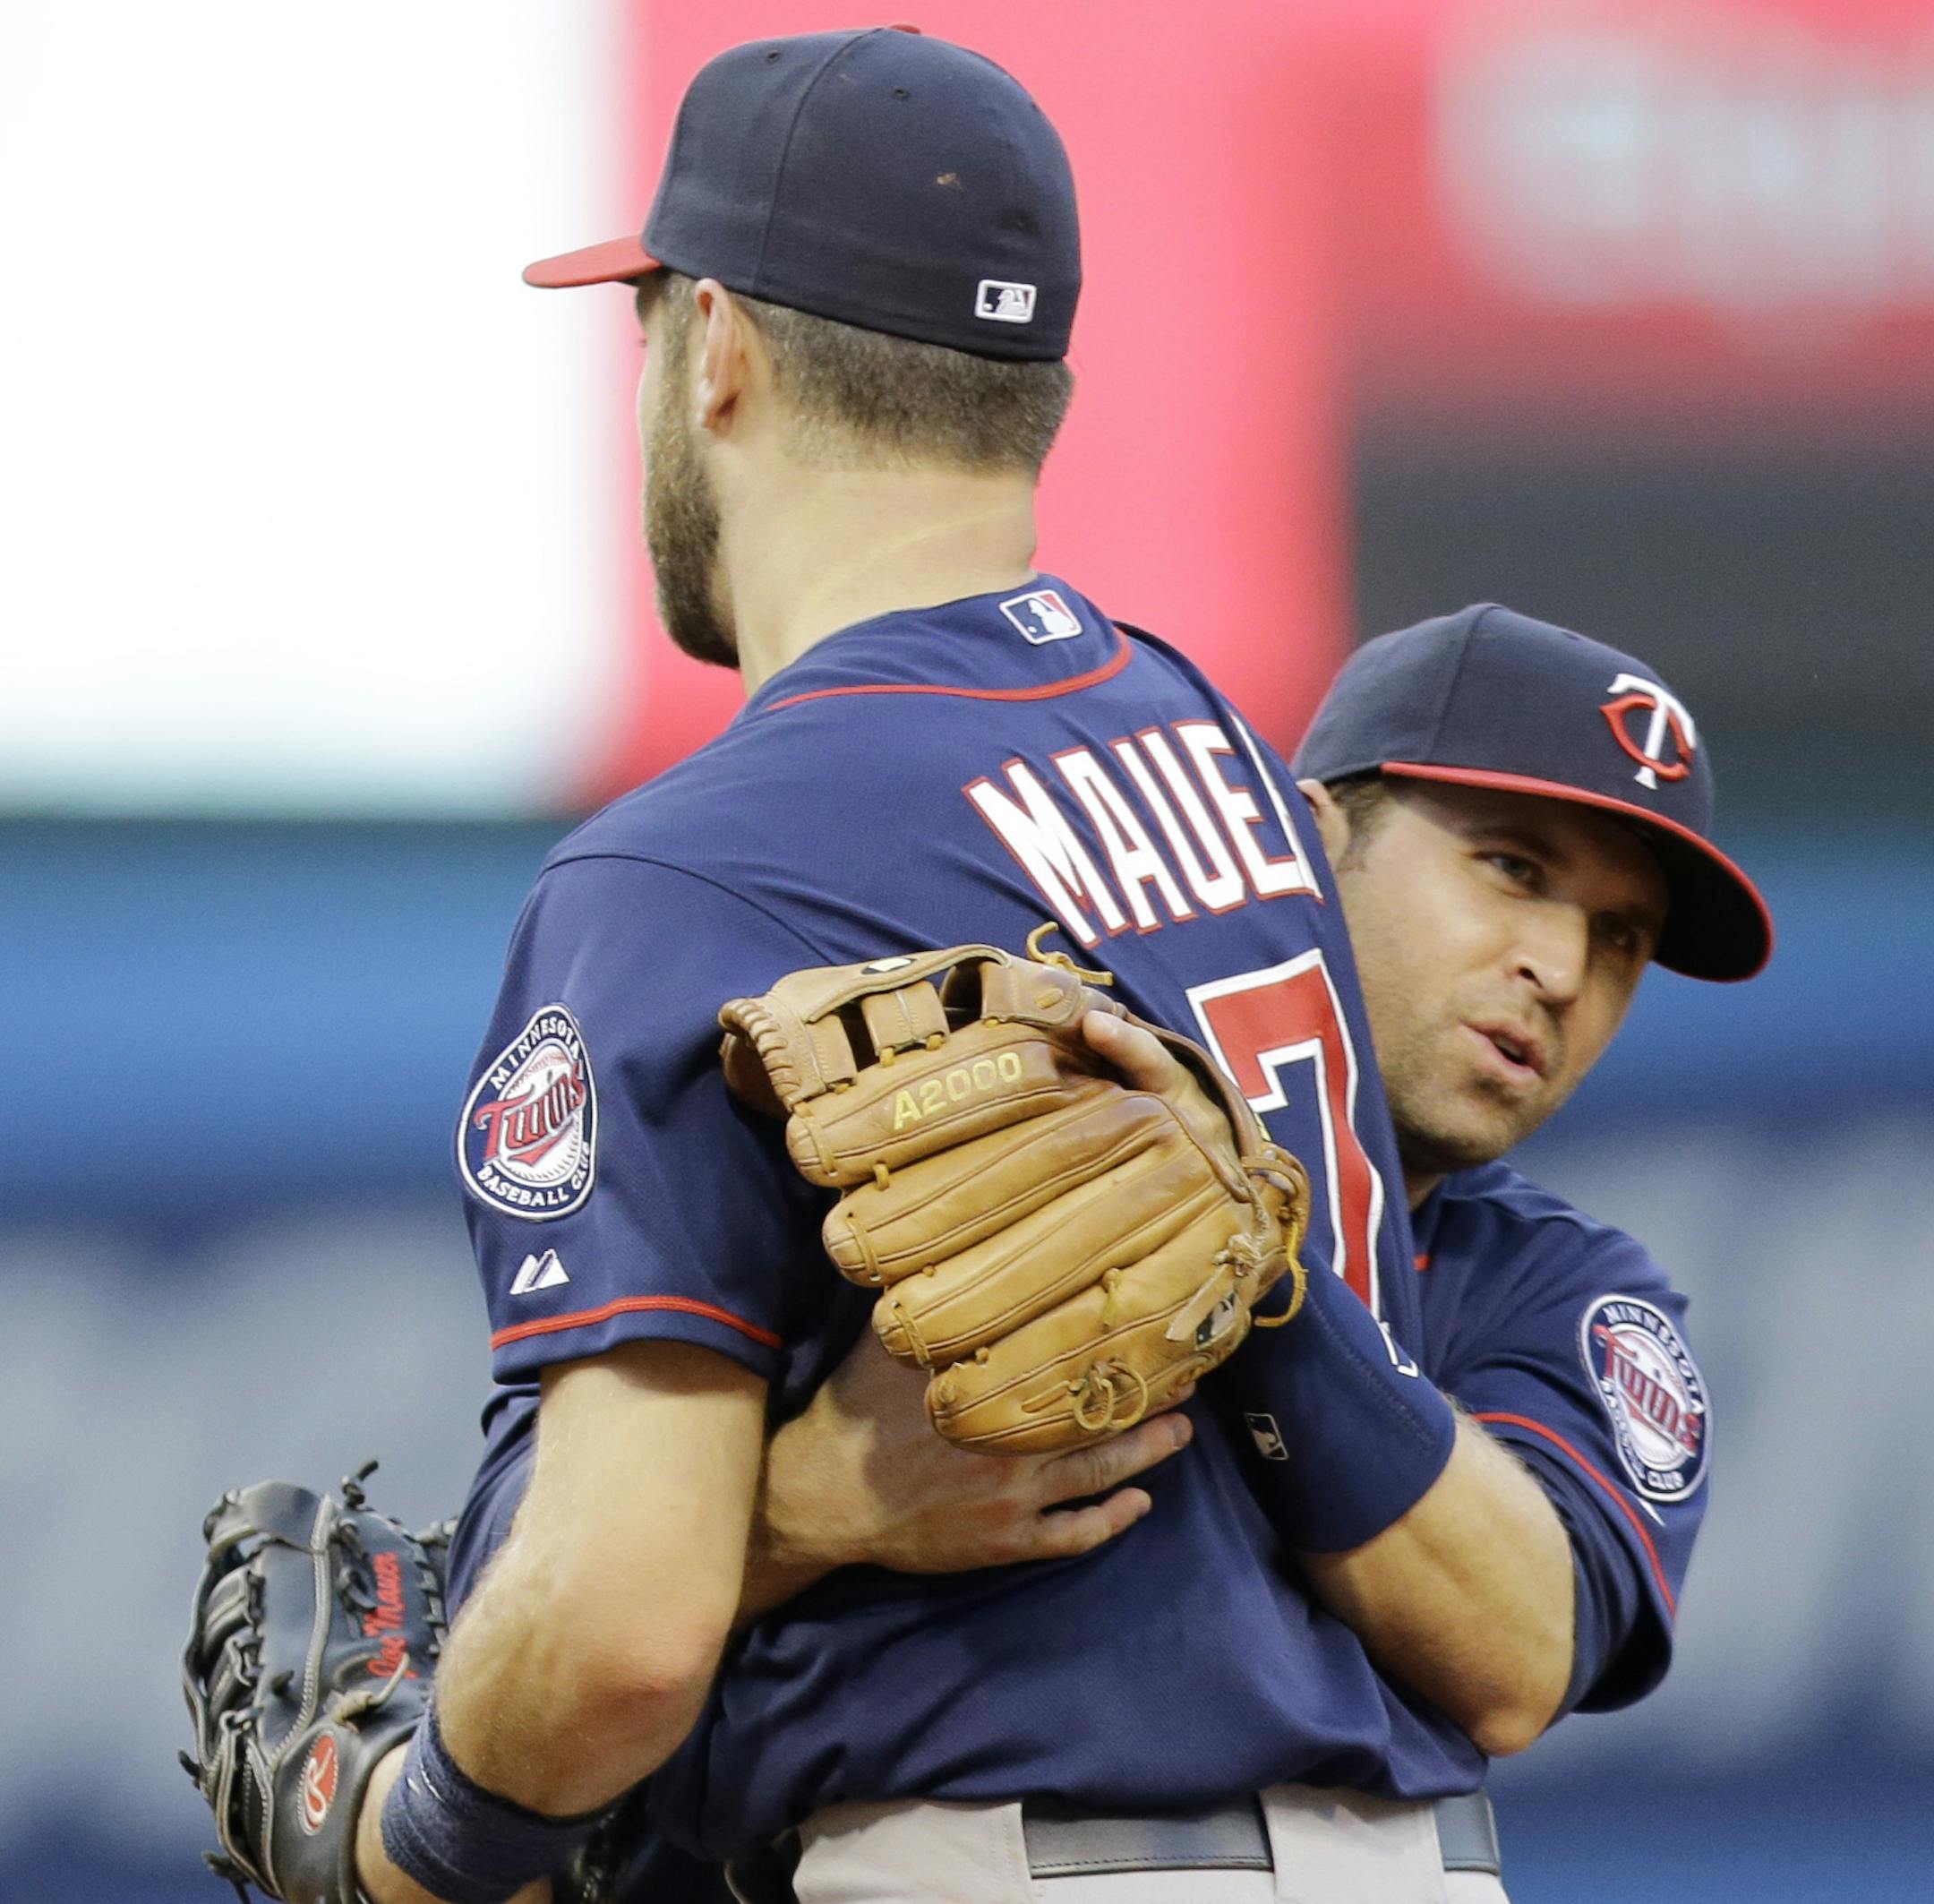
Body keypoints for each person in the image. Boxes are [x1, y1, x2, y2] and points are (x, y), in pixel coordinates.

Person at [346, 30, 1770, 1904]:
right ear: (1042, 398)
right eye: (1511, 871)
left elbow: (616, 1631)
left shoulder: (685, 866)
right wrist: (796, 1516)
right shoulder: (1205, 750)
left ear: (719, 350)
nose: (1556, 966)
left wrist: (403, 1834)